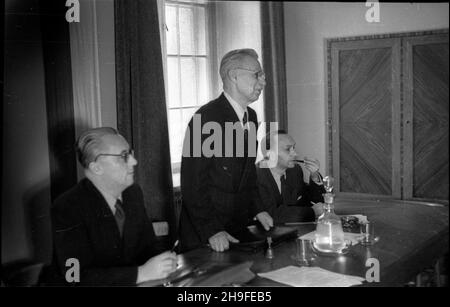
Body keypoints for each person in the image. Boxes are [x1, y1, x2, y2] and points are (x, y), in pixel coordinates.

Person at [41, 127, 178, 286]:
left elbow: (147, 246)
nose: (134, 161)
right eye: (124, 156)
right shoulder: (67, 207)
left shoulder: (132, 193)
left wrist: (164, 259)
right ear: (96, 168)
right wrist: (140, 273)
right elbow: (75, 277)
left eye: (130, 153)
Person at [179, 48, 273, 253]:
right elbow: (192, 183)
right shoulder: (205, 118)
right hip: (206, 236)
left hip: (236, 230)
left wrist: (259, 209)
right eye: (257, 75)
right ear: (233, 75)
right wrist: (212, 230)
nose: (263, 82)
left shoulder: (252, 117)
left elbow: (248, 173)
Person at [257, 130, 325, 224]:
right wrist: (312, 212)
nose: (295, 154)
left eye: (294, 148)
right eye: (288, 149)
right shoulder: (256, 175)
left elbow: (314, 200)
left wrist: (314, 176)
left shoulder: (294, 171)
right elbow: (271, 214)